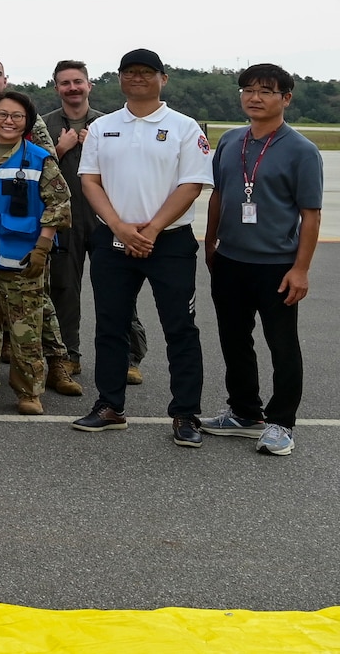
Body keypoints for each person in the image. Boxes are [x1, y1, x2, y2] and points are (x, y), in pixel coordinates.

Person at [71, 49, 213, 445]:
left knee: (180, 328)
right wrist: (118, 226)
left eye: (145, 72)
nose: (137, 78)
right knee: (110, 325)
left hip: (168, 242)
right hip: (114, 239)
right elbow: (90, 181)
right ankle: (110, 406)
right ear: (119, 79)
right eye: (129, 72)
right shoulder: (104, 127)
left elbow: (193, 184)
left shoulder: (184, 127)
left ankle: (186, 414)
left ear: (162, 78)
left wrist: (150, 230)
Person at [200, 64, 322, 456]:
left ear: (286, 98)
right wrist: (210, 242)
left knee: (282, 344)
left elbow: (311, 215)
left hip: (277, 266)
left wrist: (300, 269)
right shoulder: (230, 141)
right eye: (248, 89)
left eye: (266, 91)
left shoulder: (302, 150)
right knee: (234, 339)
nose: (254, 97)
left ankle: (282, 422)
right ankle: (244, 413)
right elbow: (219, 195)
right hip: (231, 259)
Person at [0, 91, 69, 415]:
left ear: (27, 122)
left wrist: (42, 248)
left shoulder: (38, 159)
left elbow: (60, 203)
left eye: (16, 116)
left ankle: (29, 392)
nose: (8, 121)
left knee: (25, 332)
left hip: (21, 262)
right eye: (2, 115)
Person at [41, 60, 144, 389]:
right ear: (56, 87)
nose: (72, 88)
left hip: (106, 218)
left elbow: (131, 168)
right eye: (65, 83)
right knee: (64, 288)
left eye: (78, 81)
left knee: (117, 288)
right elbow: (33, 168)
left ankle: (129, 356)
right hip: (63, 219)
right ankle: (68, 354)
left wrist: (96, 145)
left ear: (89, 85)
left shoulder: (110, 125)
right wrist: (61, 148)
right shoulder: (44, 125)